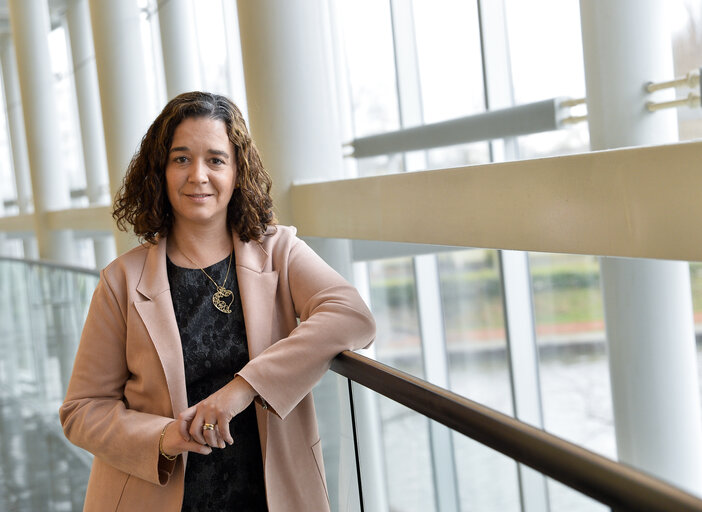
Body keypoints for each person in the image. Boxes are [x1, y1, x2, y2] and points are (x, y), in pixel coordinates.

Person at [59, 91, 376, 511]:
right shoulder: (120, 281)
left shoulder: (277, 250)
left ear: (237, 170)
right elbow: (82, 411)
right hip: (155, 496)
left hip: (269, 494)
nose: (198, 175)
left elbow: (351, 314)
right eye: (181, 158)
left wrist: (243, 388)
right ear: (159, 171)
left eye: (216, 159)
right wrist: (165, 437)